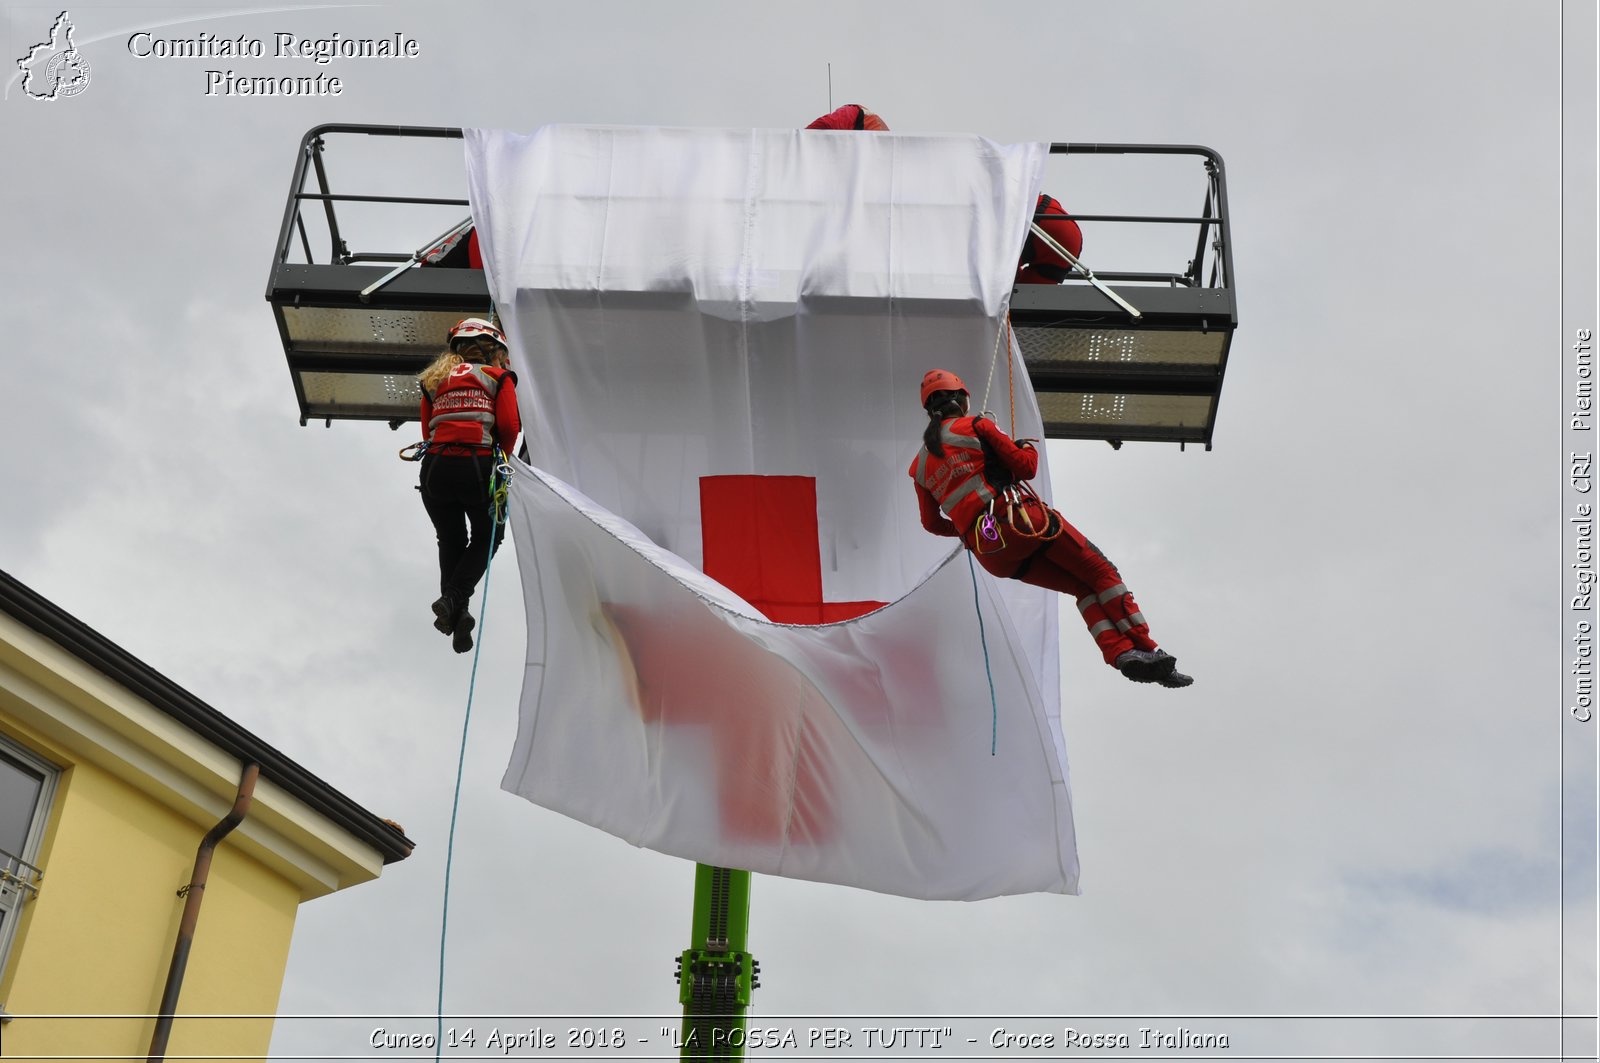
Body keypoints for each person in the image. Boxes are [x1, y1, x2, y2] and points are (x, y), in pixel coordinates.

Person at [909, 369, 1192, 688]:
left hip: (992, 553)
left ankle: (1121, 654)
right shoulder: (977, 425)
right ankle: (1149, 648)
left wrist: (967, 530)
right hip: (1024, 522)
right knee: (1101, 573)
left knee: (1082, 587)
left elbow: (931, 524)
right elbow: (1026, 468)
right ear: (962, 399)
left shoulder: (918, 466)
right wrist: (1025, 448)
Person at [416, 317, 521, 653]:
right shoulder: (498, 376)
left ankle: (456, 611)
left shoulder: (433, 380)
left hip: (435, 468)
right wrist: (500, 462)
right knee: (490, 536)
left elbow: (425, 431)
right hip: (476, 465)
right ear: (496, 351)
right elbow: (509, 426)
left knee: (450, 538)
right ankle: (455, 598)